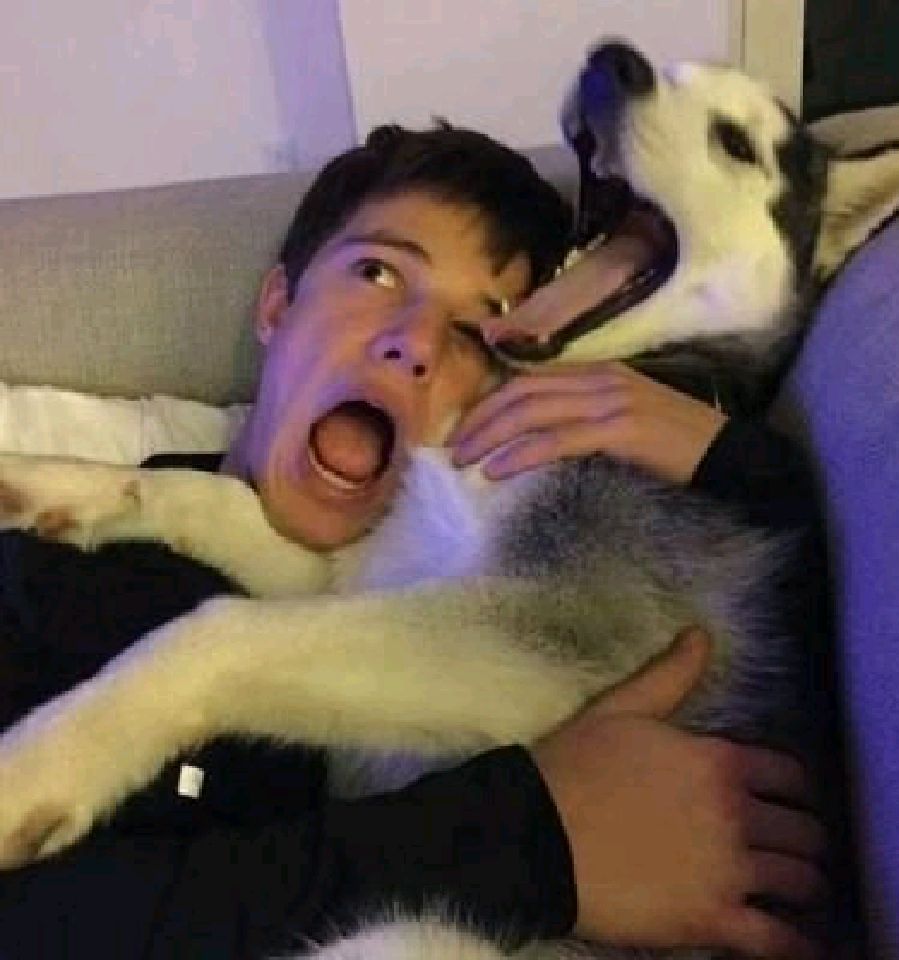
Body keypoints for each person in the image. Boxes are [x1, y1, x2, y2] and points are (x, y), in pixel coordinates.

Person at [0, 122, 833, 960]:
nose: (418, 343)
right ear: (277, 306)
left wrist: (737, 461)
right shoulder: (43, 580)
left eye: (478, 332)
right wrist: (525, 840)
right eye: (379, 272)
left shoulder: (433, 540)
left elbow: (769, 640)